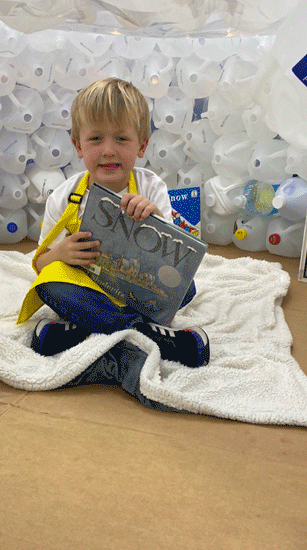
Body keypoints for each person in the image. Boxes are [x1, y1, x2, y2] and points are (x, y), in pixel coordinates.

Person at [16, 77, 209, 369]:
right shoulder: (64, 196)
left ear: (142, 145)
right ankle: (148, 334)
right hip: (87, 288)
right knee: (48, 286)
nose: (108, 150)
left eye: (121, 139)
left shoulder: (151, 186)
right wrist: (61, 253)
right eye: (95, 139)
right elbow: (41, 263)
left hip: (138, 289)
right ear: (77, 145)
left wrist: (154, 216)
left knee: (187, 285)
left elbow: (177, 254)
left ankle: (79, 332)